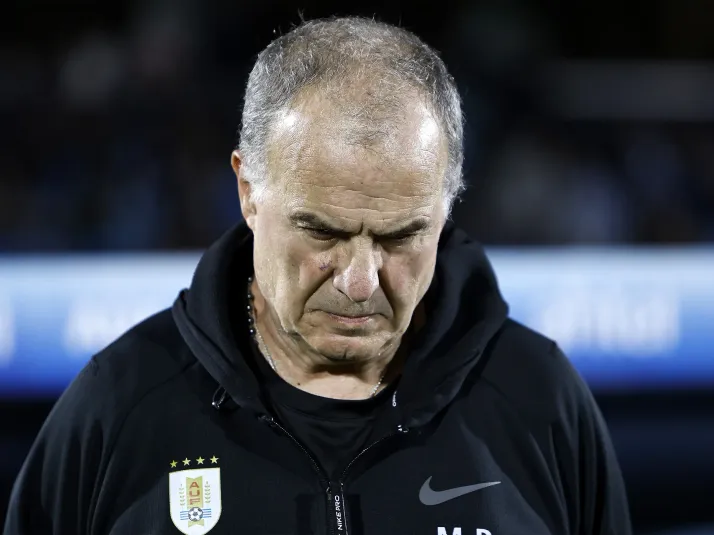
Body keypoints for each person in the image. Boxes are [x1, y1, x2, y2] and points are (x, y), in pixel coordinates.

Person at [4, 16, 631, 535]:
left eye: (399, 237)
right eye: (323, 233)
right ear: (248, 192)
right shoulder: (119, 407)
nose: (359, 282)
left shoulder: (538, 397)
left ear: (447, 208)